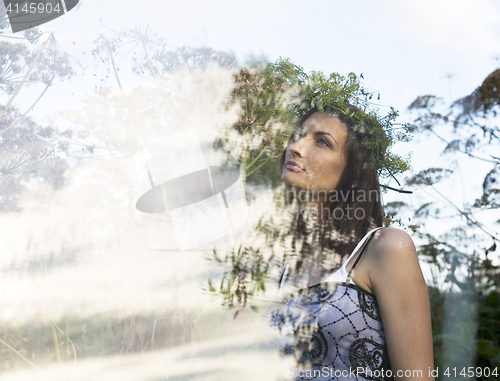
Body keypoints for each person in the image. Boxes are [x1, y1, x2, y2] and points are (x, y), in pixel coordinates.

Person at [265, 105, 434, 381]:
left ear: (355, 176)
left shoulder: (386, 248)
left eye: (322, 141)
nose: (296, 147)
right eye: (298, 135)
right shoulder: (280, 262)